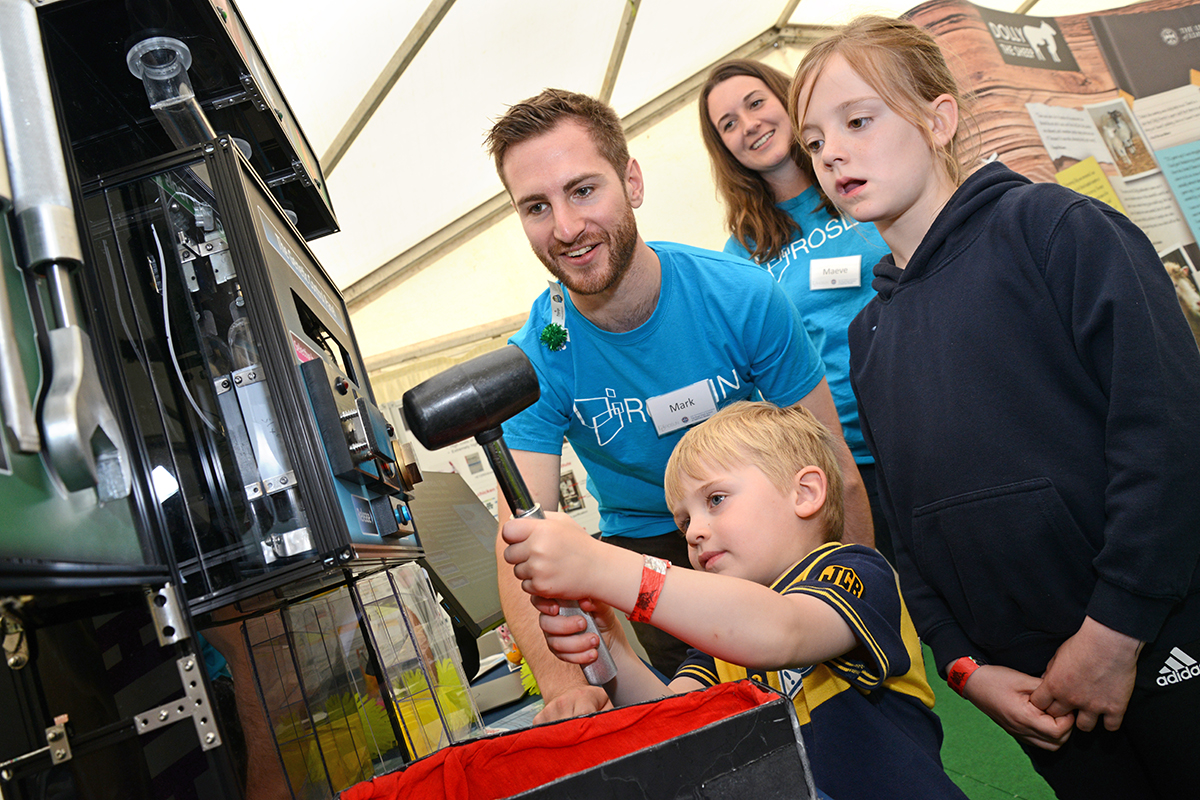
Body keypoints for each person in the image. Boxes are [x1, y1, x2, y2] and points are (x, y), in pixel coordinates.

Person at [792, 16, 1200, 799]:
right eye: (814, 140)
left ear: (938, 119)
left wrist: (1116, 633)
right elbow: (909, 532)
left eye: (858, 120)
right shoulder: (869, 335)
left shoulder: (1058, 231)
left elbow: (1169, 436)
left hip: (1160, 641)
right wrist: (967, 667)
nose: (832, 152)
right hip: (1035, 692)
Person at [483, 89, 873, 722]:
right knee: (712, 730)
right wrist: (563, 688)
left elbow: (836, 471)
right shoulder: (536, 358)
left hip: (766, 529)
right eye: (536, 206)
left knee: (841, 710)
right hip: (646, 547)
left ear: (632, 181)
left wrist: (863, 613)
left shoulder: (742, 295)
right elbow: (520, 537)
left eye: (583, 191)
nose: (565, 228)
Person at [501, 401, 966, 799]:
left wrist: (604, 567)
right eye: (684, 523)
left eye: (716, 499)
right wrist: (615, 647)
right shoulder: (721, 639)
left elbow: (779, 630)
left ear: (804, 493)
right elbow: (677, 721)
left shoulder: (855, 572)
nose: (696, 531)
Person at [699, 60, 895, 563]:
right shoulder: (740, 254)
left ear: (787, 100)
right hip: (840, 455)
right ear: (724, 148)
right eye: (728, 124)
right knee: (888, 609)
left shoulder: (858, 178)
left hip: (922, 416)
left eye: (755, 102)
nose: (749, 125)